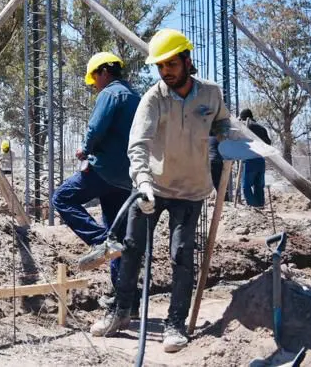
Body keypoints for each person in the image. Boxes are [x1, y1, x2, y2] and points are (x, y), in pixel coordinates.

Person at [91, 29, 231, 353]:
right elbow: (137, 144)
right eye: (160, 66)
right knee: (131, 248)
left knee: (182, 255)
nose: (166, 71)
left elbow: (222, 124)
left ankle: (175, 324)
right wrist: (142, 183)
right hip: (152, 186)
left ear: (186, 59)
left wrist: (230, 140)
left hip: (192, 191)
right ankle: (120, 311)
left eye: (171, 64)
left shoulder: (211, 94)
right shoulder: (153, 98)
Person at [51, 52, 139, 294]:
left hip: (104, 170)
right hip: (126, 177)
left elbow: (96, 127)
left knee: (62, 197)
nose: (94, 85)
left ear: (103, 72)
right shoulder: (137, 97)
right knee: (118, 239)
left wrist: (85, 149)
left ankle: (100, 241)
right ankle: (126, 302)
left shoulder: (110, 93)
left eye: (94, 78)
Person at [239, 108, 272, 207]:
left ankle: (253, 206)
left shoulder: (245, 127)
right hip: (261, 160)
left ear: (243, 118)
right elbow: (268, 143)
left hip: (250, 160)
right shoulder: (261, 128)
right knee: (259, 185)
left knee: (246, 186)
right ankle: (260, 205)